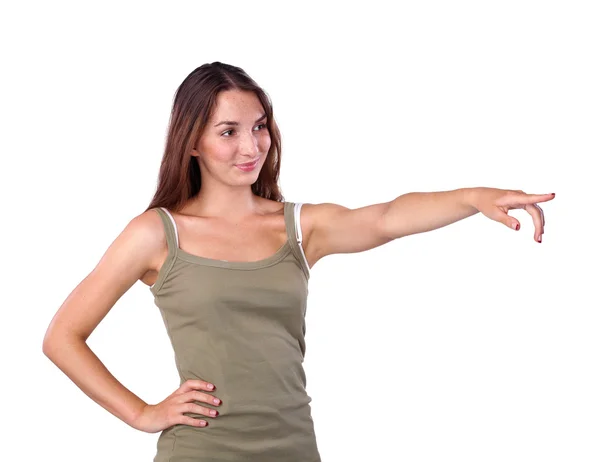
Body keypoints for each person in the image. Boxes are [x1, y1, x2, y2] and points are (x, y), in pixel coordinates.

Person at [42, 61, 555, 461]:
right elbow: (62, 337)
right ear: (192, 141)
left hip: (293, 449)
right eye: (228, 131)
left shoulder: (298, 228)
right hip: (201, 453)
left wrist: (472, 197)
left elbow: (386, 217)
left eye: (260, 127)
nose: (252, 145)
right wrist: (141, 413)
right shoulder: (157, 233)